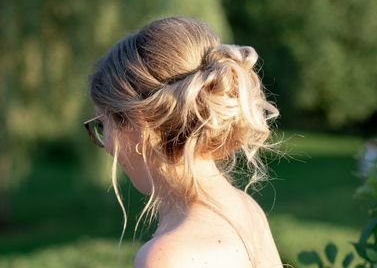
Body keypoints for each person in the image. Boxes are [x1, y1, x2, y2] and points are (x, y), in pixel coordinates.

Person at [84, 16, 284, 268]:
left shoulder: (165, 257)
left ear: (139, 121)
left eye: (103, 125)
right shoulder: (246, 210)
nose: (109, 147)